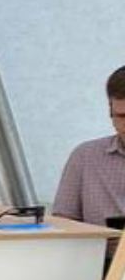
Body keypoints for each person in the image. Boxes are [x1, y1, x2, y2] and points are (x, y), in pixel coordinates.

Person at [51, 65, 125, 227]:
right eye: (122, 116)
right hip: (98, 244)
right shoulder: (85, 157)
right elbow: (63, 223)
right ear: (110, 112)